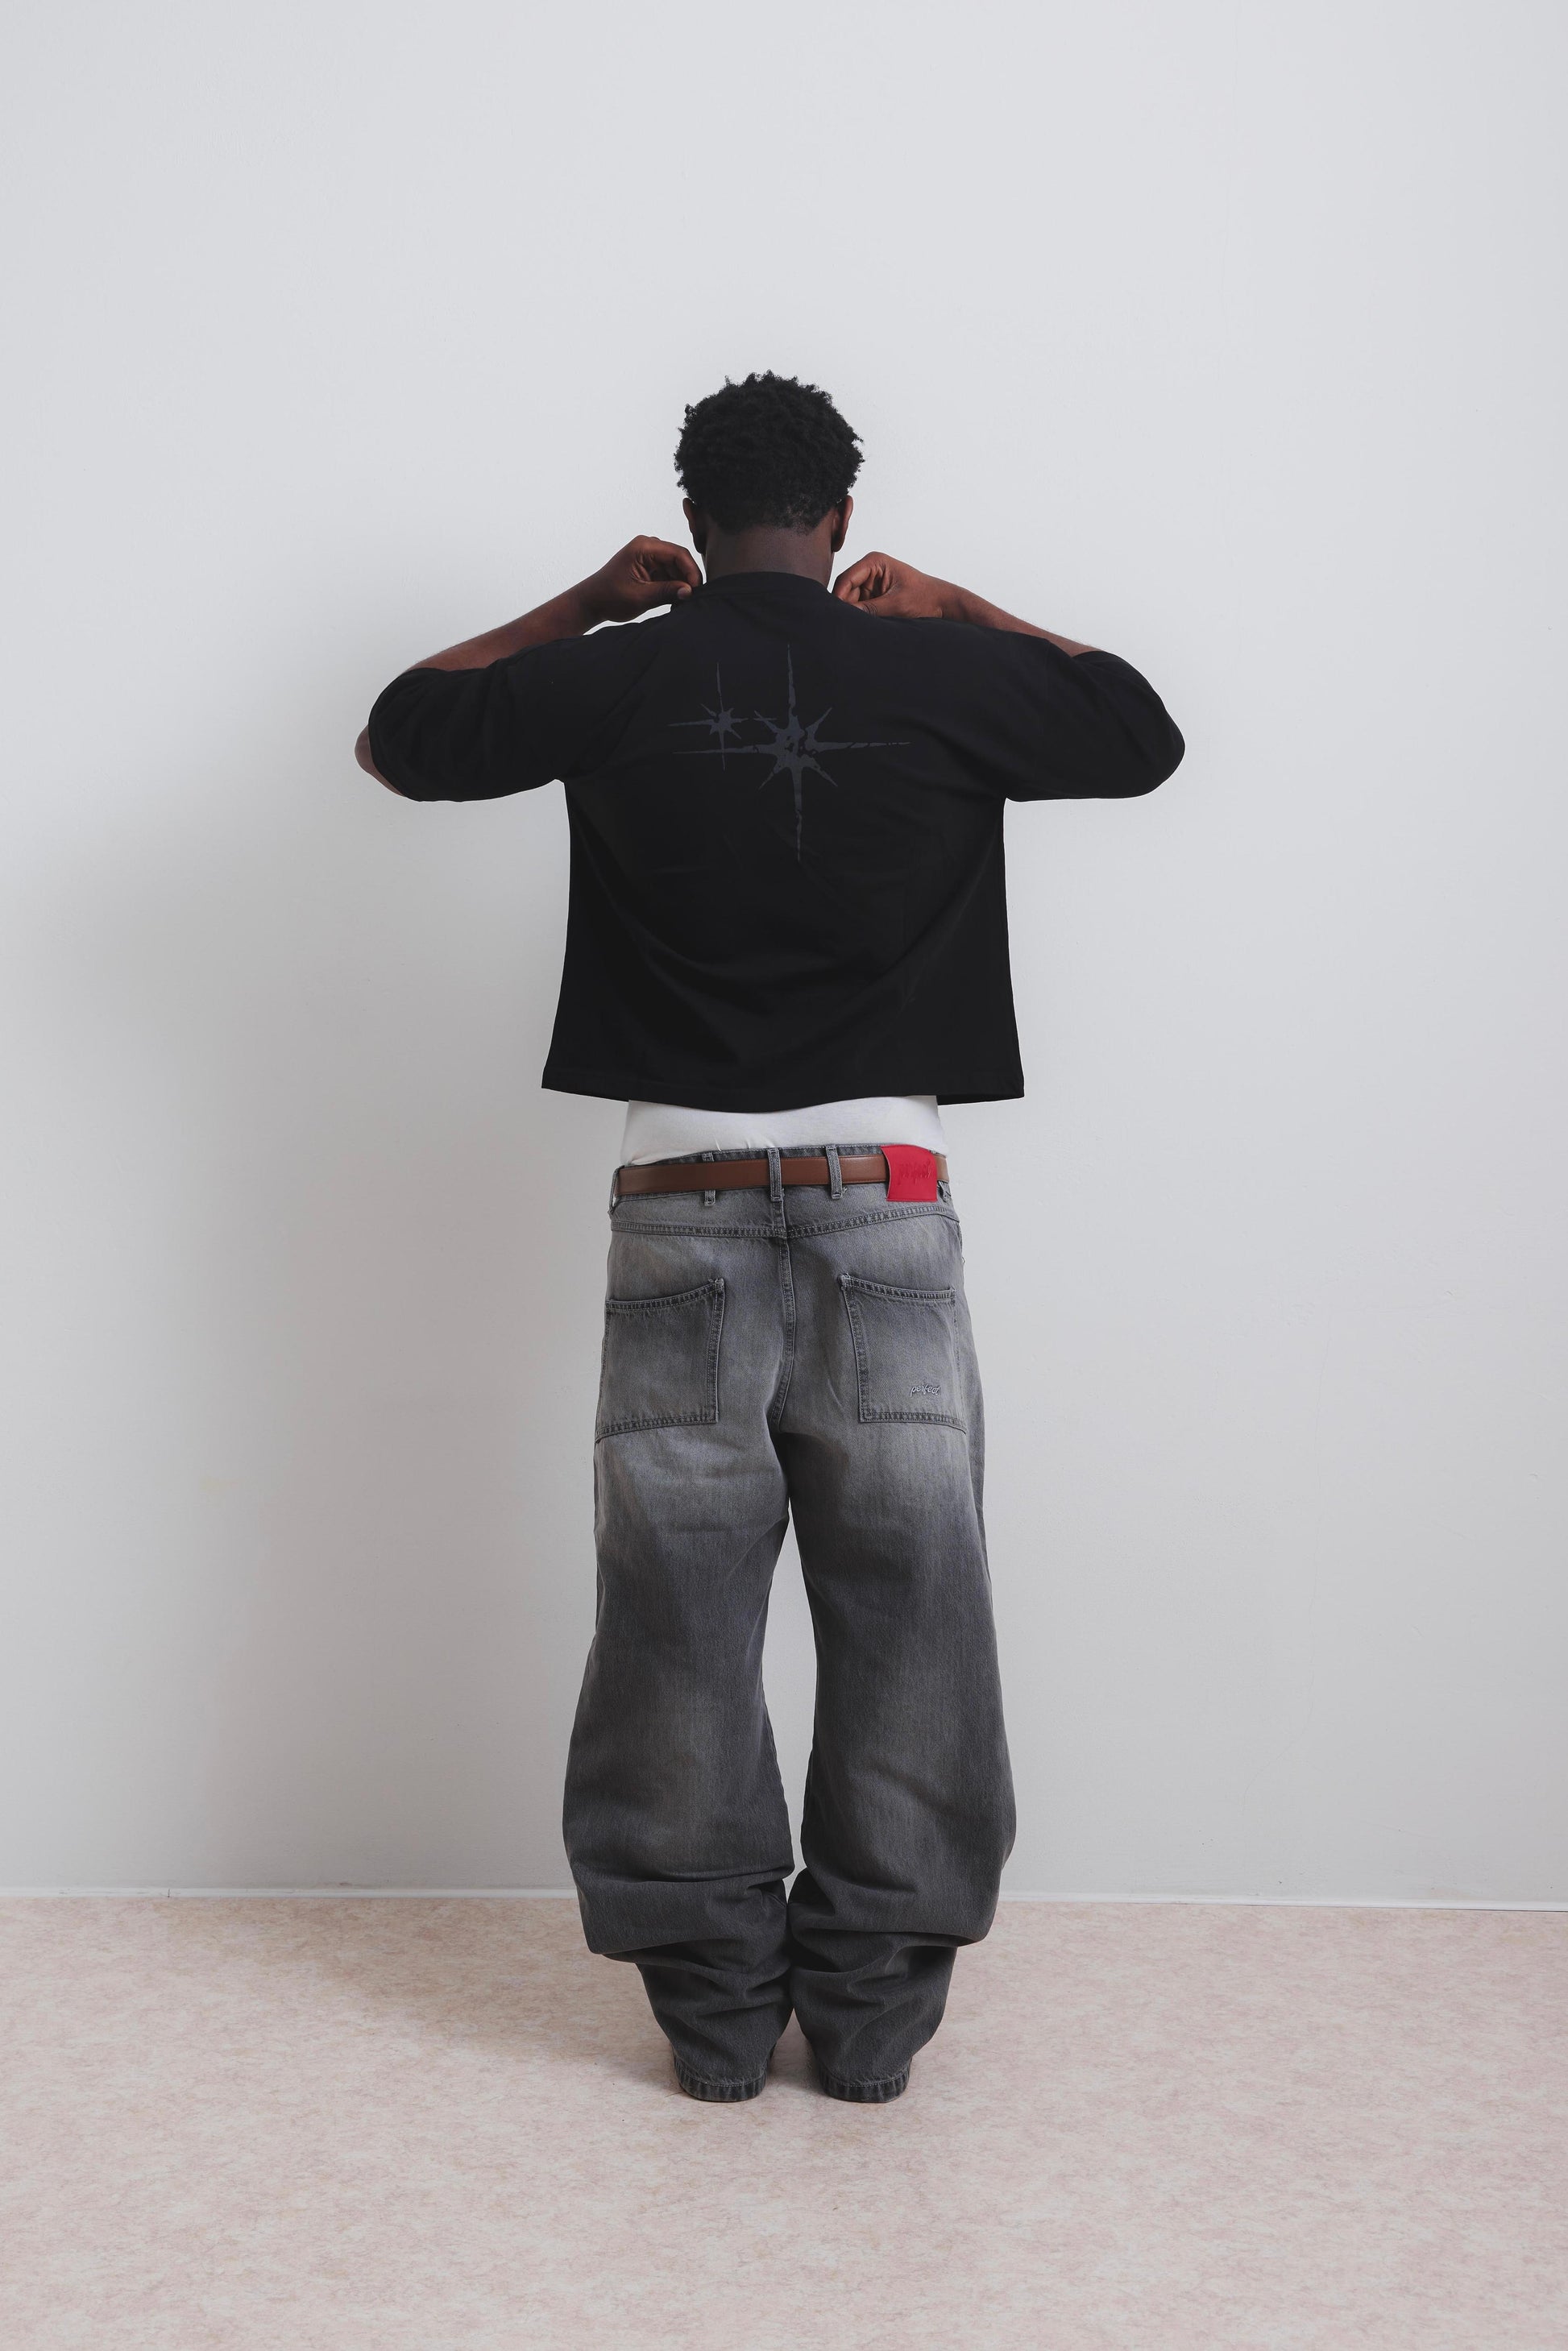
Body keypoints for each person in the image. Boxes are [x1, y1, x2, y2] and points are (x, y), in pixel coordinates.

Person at [356, 371, 1184, 2104]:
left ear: (693, 515)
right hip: (888, 1198)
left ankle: (718, 2019)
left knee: (673, 1607)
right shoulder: (934, 669)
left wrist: (587, 603)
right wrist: (958, 605)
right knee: (914, 1601)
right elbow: (1135, 730)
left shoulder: (623, 667)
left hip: (678, 1203)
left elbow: (402, 734)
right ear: (842, 519)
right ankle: (870, 2018)